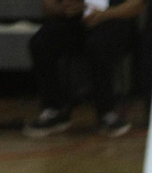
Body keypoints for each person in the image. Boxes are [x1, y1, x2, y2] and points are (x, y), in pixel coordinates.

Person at [22, 0, 141, 138]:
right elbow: (47, 5)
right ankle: (53, 110)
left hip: (116, 19)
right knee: (40, 42)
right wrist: (63, 9)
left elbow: (138, 5)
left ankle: (107, 113)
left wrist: (107, 14)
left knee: (99, 45)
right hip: (76, 20)